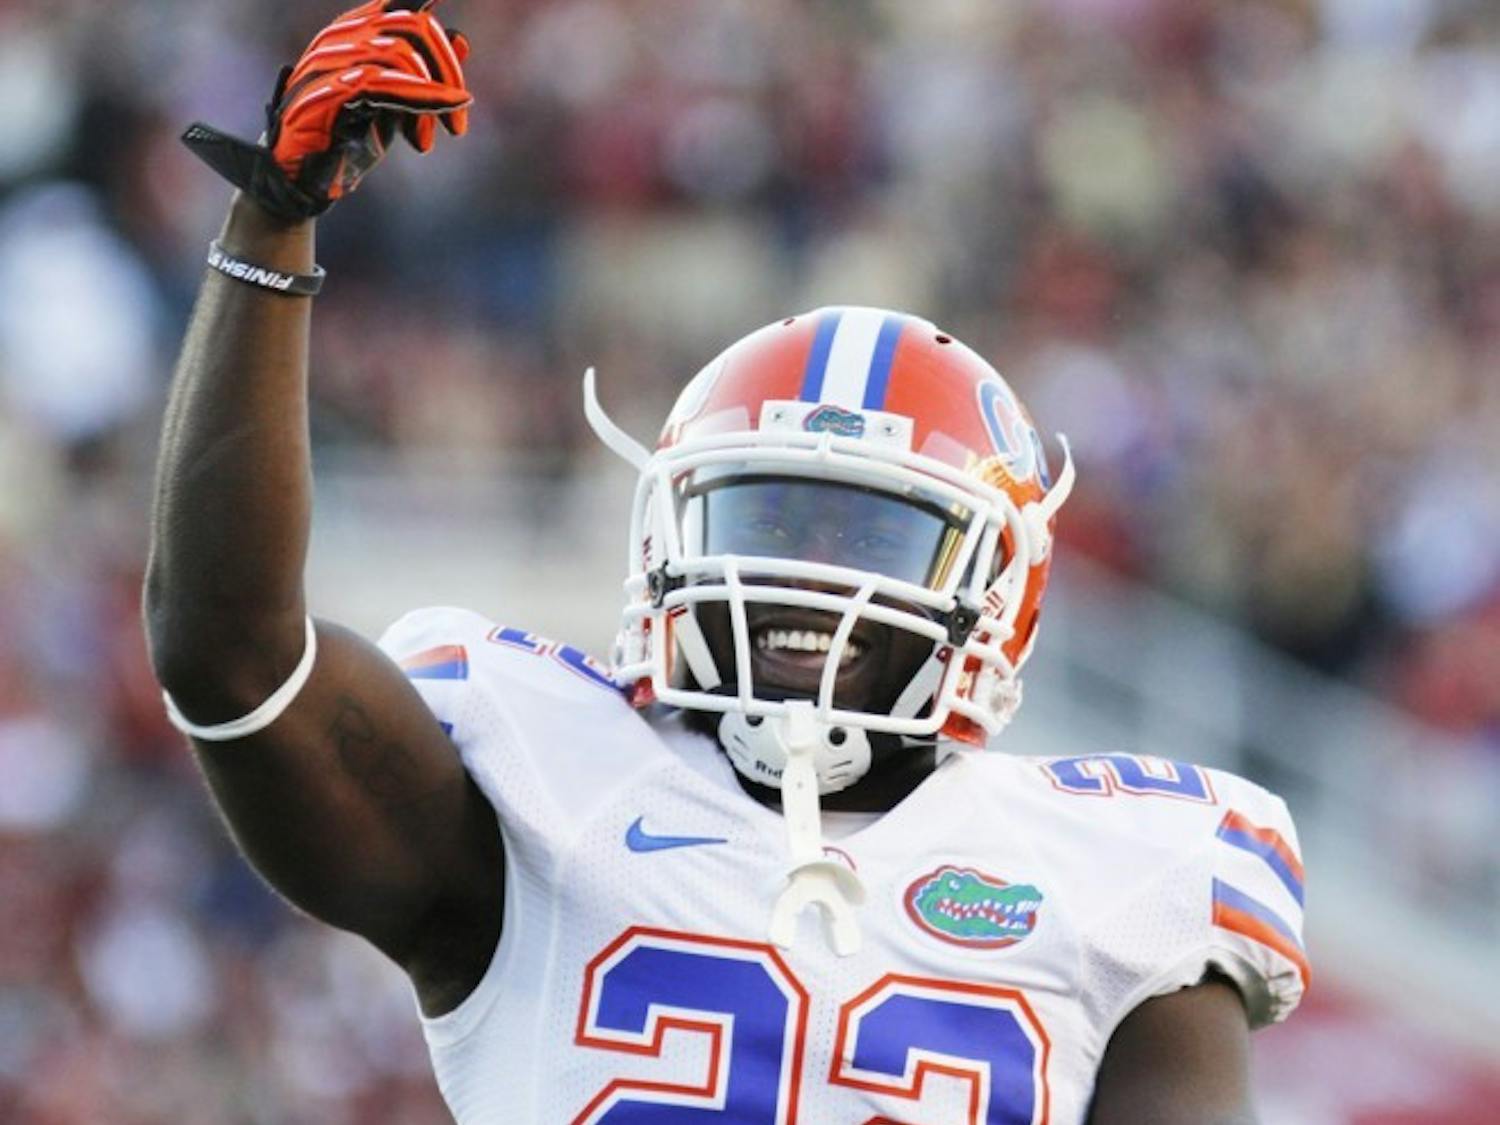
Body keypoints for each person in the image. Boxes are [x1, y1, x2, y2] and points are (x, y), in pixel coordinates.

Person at [146, 2, 1308, 1121]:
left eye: (866, 536)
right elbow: (231, 659)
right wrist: (272, 225)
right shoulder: (544, 779)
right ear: (668, 531)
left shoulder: (1129, 870)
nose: (804, 579)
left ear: (998, 590)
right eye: (764, 522)